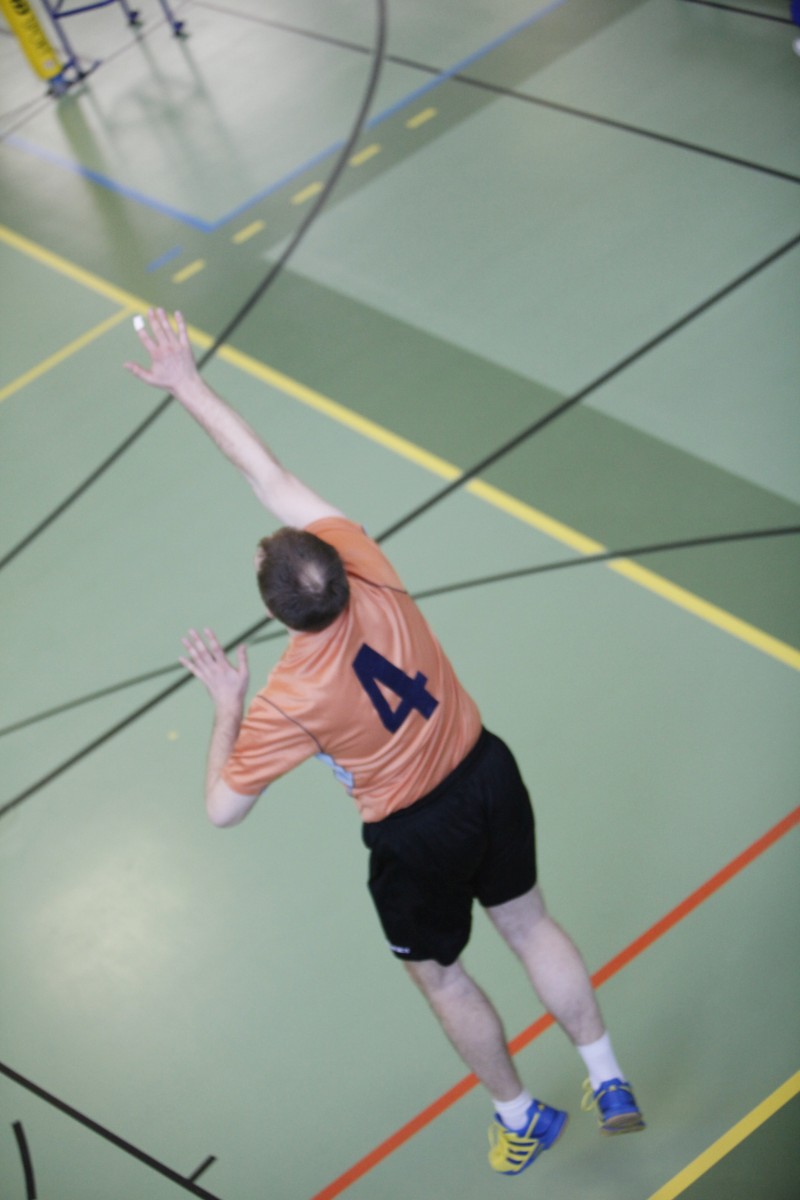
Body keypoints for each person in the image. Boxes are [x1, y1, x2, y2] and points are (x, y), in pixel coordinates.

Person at [125, 309, 645, 1176]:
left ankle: (519, 1117)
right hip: (487, 769)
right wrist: (189, 383)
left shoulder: (290, 698)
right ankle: (608, 1077)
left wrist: (227, 704)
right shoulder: (364, 560)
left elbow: (221, 811)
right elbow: (266, 472)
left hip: (414, 832)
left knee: (439, 974)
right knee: (530, 924)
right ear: (329, 567)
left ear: (279, 609)